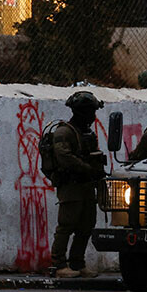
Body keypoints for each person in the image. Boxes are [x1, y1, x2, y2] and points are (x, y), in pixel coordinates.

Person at [51, 91, 106, 278]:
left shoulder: (86, 133)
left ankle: (77, 262)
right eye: (91, 112)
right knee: (66, 225)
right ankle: (59, 264)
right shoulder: (64, 132)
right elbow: (65, 158)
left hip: (87, 186)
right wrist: (87, 168)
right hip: (71, 186)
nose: (93, 116)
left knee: (86, 225)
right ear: (81, 112)